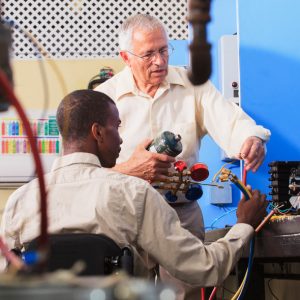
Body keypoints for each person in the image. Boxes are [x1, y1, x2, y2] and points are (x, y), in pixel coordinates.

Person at [0, 90, 268, 289]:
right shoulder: (134, 194)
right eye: (116, 127)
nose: (121, 138)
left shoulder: (20, 201)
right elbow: (203, 268)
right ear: (98, 132)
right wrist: (243, 226)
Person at [94, 14, 271, 299]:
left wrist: (251, 138)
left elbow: (231, 121)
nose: (160, 61)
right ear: (125, 57)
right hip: (125, 217)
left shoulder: (193, 85)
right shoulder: (105, 98)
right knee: (126, 293)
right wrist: (131, 169)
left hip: (181, 216)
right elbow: (89, 169)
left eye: (164, 50)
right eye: (148, 54)